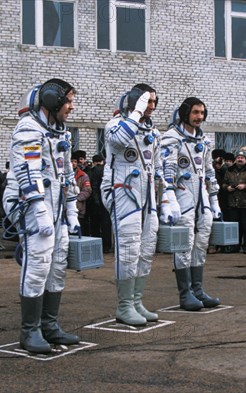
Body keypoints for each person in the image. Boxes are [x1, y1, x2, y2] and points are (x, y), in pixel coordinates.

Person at [8, 78, 81, 354]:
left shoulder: (60, 132)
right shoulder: (29, 128)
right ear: (52, 100)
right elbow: (28, 171)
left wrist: (72, 209)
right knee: (38, 264)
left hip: (57, 206)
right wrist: (38, 209)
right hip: (32, 206)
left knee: (58, 261)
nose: (71, 107)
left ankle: (49, 325)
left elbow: (67, 173)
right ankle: (30, 331)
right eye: (68, 101)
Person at [101, 83, 164, 325]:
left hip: (148, 196)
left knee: (146, 249)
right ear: (135, 102)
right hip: (123, 192)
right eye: (146, 101)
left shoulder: (153, 132)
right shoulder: (115, 125)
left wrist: (166, 198)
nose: (151, 106)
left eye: (153, 102)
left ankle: (137, 300)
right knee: (129, 248)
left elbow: (158, 166)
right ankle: (124, 305)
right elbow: (118, 143)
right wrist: (135, 114)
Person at [161, 96, 222, 311]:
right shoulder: (172, 138)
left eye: (202, 113)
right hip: (182, 196)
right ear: (185, 113)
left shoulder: (203, 141)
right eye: (195, 112)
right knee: (183, 243)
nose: (199, 117)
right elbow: (167, 170)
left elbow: (209, 171)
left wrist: (214, 198)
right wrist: (168, 200)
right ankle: (185, 293)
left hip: (201, 197)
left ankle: (198, 289)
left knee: (202, 241)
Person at [222, 151, 246, 253]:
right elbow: (223, 183)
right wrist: (227, 187)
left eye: (242, 158)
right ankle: (234, 246)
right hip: (233, 203)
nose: (240, 159)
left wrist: (245, 186)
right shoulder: (229, 171)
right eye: (238, 157)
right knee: (234, 227)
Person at [88, 154, 112, 253]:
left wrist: (96, 200)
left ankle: (96, 246)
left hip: (95, 203)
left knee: (95, 225)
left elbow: (93, 186)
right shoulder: (108, 169)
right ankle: (106, 246)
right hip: (106, 201)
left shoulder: (93, 171)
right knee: (106, 225)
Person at [71, 150, 92, 236]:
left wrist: (77, 199)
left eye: (75, 161)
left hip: (79, 209)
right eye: (71, 161)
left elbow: (87, 190)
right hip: (65, 210)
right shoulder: (62, 174)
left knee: (79, 233)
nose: (73, 163)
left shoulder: (83, 175)